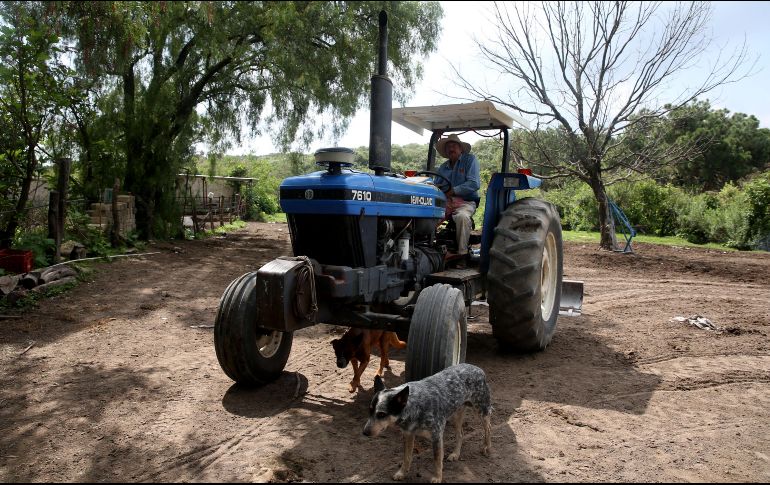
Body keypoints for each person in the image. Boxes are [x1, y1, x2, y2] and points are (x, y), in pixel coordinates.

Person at [434, 133, 480, 260]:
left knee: (462, 217)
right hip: (446, 202)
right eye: (448, 146)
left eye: (454, 145)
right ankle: (427, 250)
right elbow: (436, 185)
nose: (451, 148)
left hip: (466, 202)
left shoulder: (470, 160)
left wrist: (453, 191)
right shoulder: (443, 167)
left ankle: (462, 255)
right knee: (428, 216)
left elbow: (474, 183)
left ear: (460, 148)